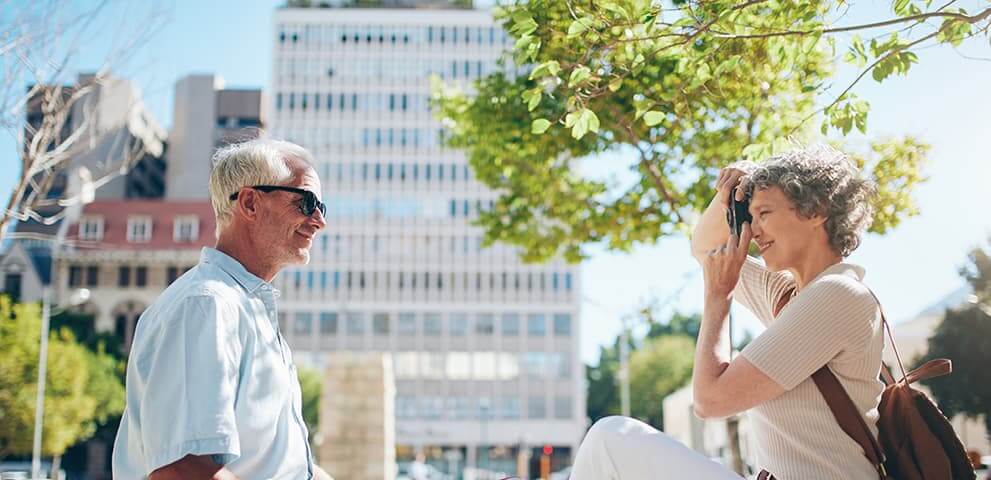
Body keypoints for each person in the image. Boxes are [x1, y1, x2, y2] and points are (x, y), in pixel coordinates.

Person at [570, 145, 884, 479]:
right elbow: (706, 249)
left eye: (764, 214)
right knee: (609, 441)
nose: (754, 231)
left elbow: (711, 401)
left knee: (610, 440)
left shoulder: (837, 294)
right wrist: (731, 194)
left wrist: (718, 297)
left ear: (817, 210)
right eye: (751, 216)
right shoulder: (790, 297)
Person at [112, 138, 333, 479]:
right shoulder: (206, 306)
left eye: (322, 207)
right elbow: (184, 469)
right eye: (305, 202)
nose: (319, 220)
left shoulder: (245, 309)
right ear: (250, 203)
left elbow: (276, 464)